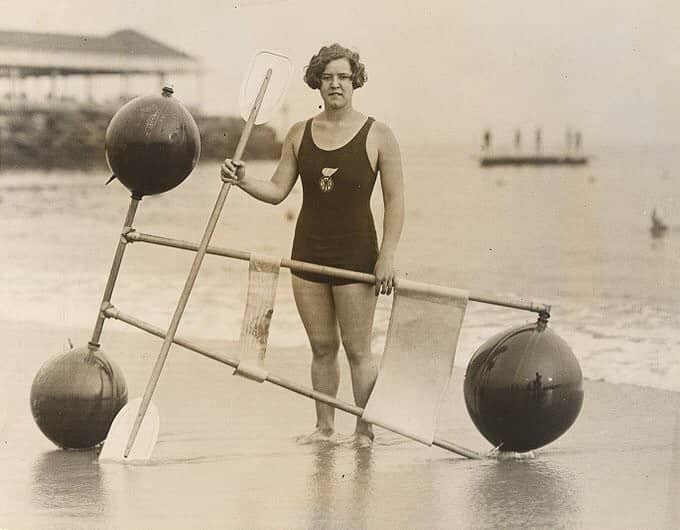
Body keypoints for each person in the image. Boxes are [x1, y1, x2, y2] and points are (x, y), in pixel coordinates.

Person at [220, 44, 405, 445]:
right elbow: (276, 190)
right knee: (322, 347)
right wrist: (241, 180)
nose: (335, 84)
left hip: (357, 257)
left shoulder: (379, 135)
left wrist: (387, 256)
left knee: (358, 350)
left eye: (342, 76)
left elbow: (396, 203)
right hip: (307, 252)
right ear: (316, 83)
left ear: (355, 80)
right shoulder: (299, 133)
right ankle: (324, 428)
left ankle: (364, 430)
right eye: (327, 77)